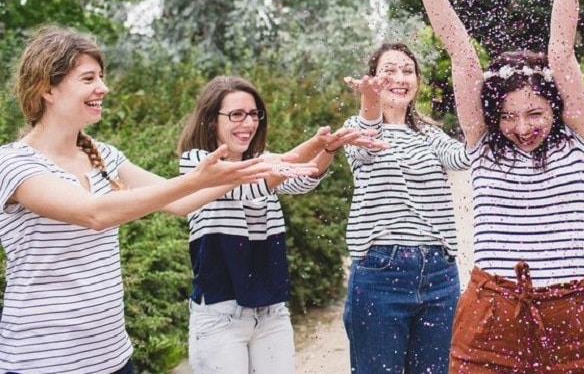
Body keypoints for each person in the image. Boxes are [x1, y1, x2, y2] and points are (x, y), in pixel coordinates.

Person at [0, 26, 281, 374]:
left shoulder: (103, 155)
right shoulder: (14, 163)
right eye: (88, 79)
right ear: (47, 89)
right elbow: (94, 214)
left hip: (113, 357)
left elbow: (179, 202)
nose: (103, 88)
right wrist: (196, 179)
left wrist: (237, 173)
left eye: (101, 77)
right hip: (41, 362)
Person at [411, 0, 584, 373]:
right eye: (508, 116)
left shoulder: (578, 142)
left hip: (573, 312)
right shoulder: (483, 145)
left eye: (535, 113)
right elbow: (463, 58)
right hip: (493, 309)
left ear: (557, 109)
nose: (522, 127)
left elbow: (561, 52)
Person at [178, 76, 385, 374]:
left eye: (253, 114)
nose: (247, 123)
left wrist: (327, 149)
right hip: (220, 314)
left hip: (271, 311)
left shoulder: (261, 160)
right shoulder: (196, 163)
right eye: (236, 114)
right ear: (212, 120)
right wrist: (312, 144)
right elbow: (250, 185)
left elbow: (303, 178)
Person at [340, 42, 469, 374]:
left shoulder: (429, 134)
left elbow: (465, 157)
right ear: (372, 79)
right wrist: (370, 101)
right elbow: (369, 140)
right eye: (389, 71)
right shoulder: (355, 129)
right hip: (381, 271)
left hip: (440, 273)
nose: (399, 78)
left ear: (417, 82)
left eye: (407, 71)